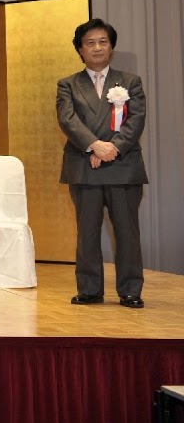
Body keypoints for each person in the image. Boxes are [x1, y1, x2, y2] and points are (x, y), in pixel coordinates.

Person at [57, 18, 148, 309]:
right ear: (80, 49)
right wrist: (95, 145)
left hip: (123, 166)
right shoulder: (68, 84)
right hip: (84, 166)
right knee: (87, 232)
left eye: (103, 42)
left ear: (111, 47)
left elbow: (136, 120)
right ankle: (89, 289)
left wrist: (113, 148)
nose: (97, 47)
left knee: (127, 232)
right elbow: (68, 120)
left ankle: (130, 290)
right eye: (90, 43)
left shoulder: (130, 81)